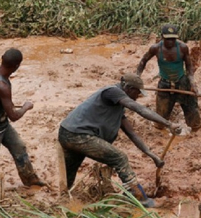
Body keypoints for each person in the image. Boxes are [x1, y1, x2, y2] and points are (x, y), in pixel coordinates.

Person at [58, 73, 181, 207]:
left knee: (70, 171)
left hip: (69, 133)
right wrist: (168, 124)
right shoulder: (112, 91)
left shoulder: (117, 107)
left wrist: (151, 155)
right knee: (119, 157)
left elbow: (132, 134)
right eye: (137, 93)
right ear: (128, 88)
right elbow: (139, 109)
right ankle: (139, 197)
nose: (137, 97)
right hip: (77, 135)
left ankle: (64, 203)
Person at [0, 48, 46, 193]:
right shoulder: (2, 86)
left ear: (2, 59)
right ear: (17, 66)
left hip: (1, 123)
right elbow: (14, 116)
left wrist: (5, 104)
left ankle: (30, 179)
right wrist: (26, 107)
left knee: (19, 148)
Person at [136, 25, 201, 131]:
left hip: (182, 82)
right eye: (168, 39)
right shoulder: (156, 48)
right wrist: (137, 77)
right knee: (160, 121)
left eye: (173, 39)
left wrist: (192, 83)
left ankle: (195, 132)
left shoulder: (182, 47)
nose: (171, 41)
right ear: (162, 37)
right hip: (165, 84)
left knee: (193, 116)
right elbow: (143, 61)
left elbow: (189, 66)